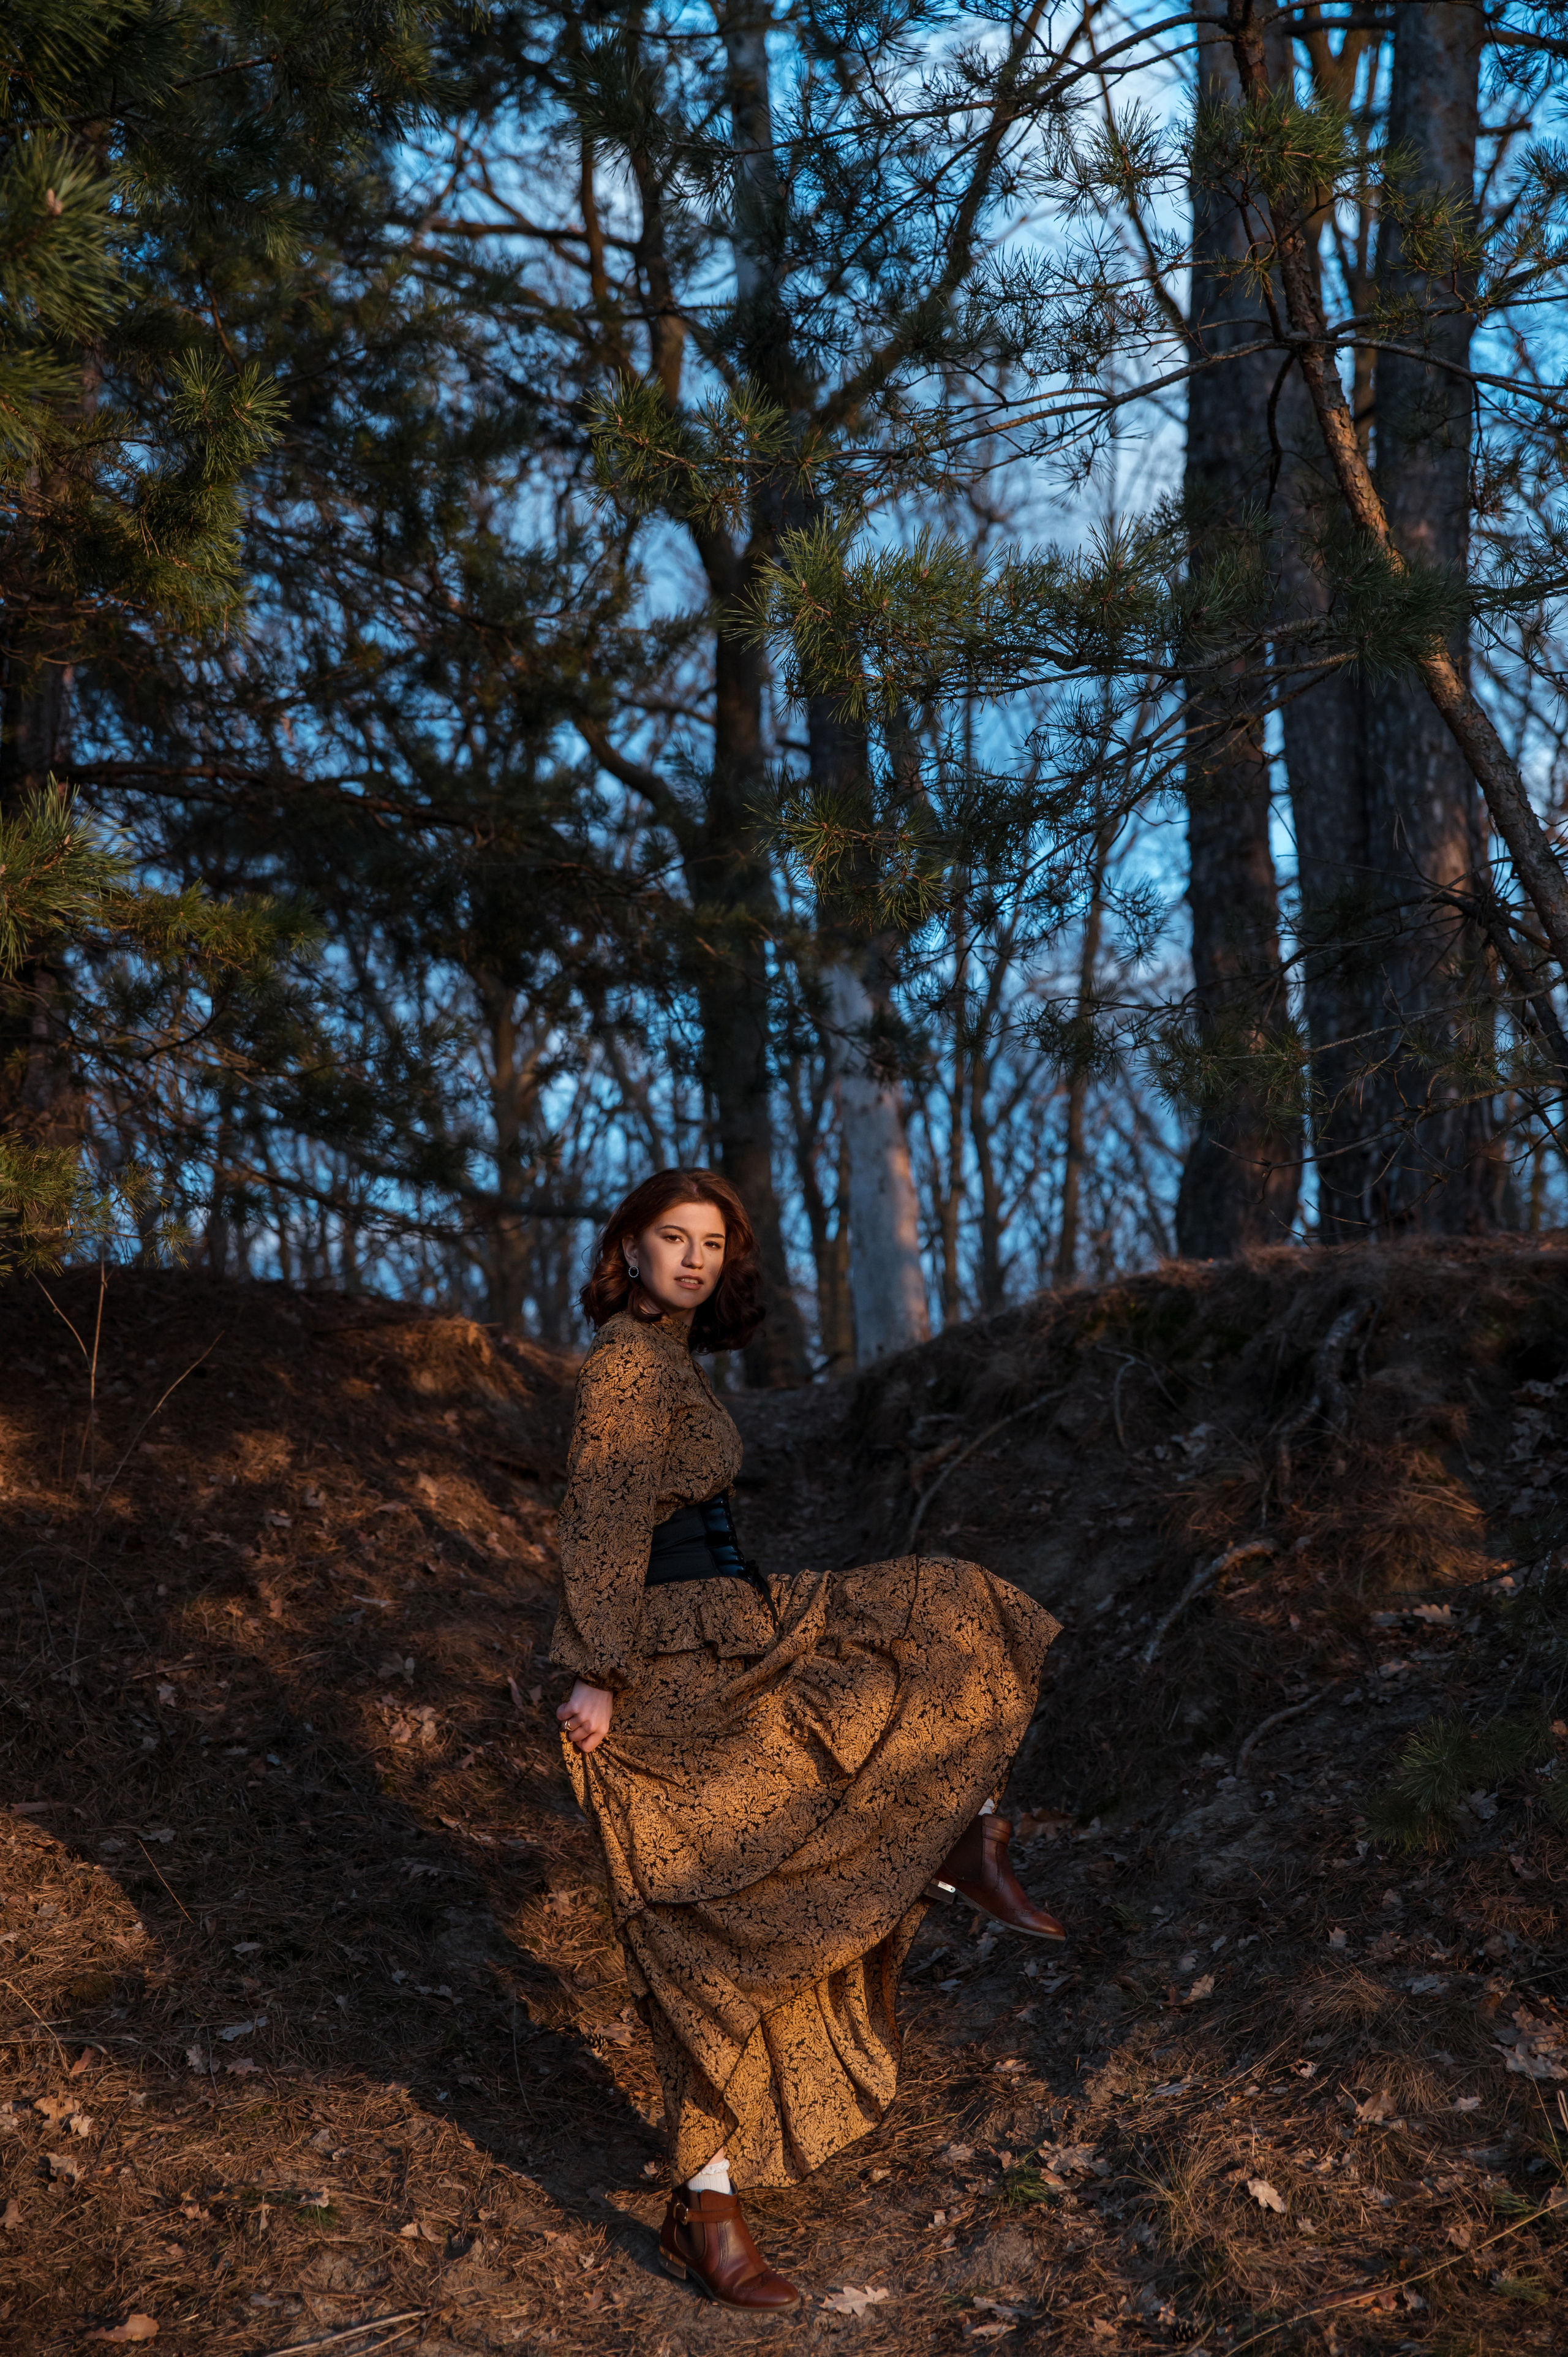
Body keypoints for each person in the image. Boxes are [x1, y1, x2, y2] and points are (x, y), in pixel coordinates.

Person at [551, 1168, 1063, 2312]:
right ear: (627, 1249)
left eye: (712, 1242)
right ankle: (708, 2205)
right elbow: (598, 1519)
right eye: (670, 1238)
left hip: (732, 1631)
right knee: (698, 1931)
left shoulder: (668, 1359)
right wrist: (595, 1674)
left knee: (944, 1612)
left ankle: (965, 1832)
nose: (693, 1258)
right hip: (667, 1664)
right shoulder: (625, 1365)